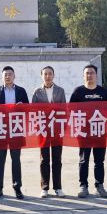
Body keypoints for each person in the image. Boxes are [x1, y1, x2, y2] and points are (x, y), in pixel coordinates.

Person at [0, 65, 29, 199]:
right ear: (2, 77)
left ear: (14, 76)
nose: (8, 76)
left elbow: (29, 108)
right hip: (1, 128)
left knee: (16, 159)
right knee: (0, 159)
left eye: (10, 74)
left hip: (16, 128)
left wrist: (23, 106)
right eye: (5, 74)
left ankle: (17, 188)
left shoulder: (21, 91)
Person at [69, 64, 107, 198]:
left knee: (99, 161)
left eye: (92, 73)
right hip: (84, 132)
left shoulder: (102, 92)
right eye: (87, 73)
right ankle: (83, 186)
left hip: (99, 131)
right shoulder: (78, 91)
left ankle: (99, 186)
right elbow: (71, 110)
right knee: (83, 160)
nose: (89, 75)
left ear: (96, 75)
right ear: (83, 76)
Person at [31, 66, 67, 198]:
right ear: (42, 76)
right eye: (45, 74)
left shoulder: (60, 91)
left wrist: (63, 127)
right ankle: (44, 187)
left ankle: (58, 188)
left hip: (57, 129)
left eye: (50, 74)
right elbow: (33, 111)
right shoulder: (37, 92)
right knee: (44, 159)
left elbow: (64, 109)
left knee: (57, 159)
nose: (48, 76)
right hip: (43, 130)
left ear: (53, 75)